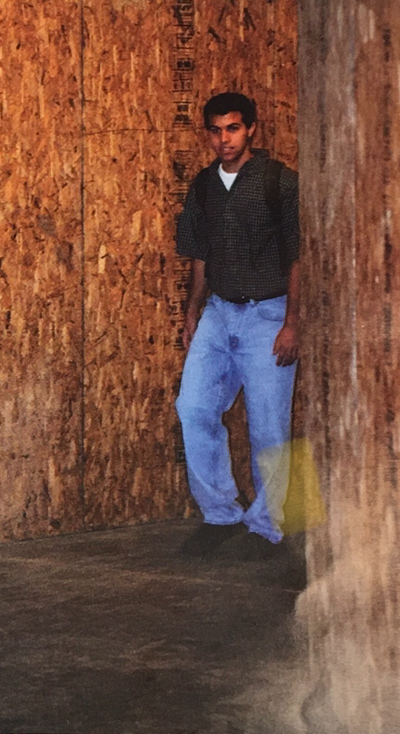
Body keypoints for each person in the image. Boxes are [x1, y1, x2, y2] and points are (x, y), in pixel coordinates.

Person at [175, 92, 299, 560]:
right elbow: (200, 254)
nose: (223, 138)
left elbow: (299, 256)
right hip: (218, 313)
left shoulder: (279, 182)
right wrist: (192, 312)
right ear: (207, 132)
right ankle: (221, 514)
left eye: (233, 128)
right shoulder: (203, 185)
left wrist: (293, 323)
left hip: (269, 313)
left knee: (269, 427)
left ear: (251, 130)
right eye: (215, 129)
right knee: (193, 409)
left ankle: (268, 527)